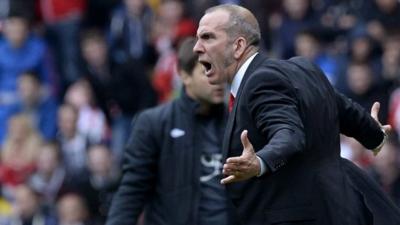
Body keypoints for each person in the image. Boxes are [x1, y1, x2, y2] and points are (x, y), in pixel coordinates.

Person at [193, 4, 400, 225]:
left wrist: (261, 162)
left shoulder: (259, 82)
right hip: (339, 210)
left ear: (238, 46)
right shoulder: (303, 68)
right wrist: (375, 135)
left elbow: (289, 134)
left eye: (207, 37)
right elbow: (343, 109)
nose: (197, 47)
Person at [107, 37, 237, 225]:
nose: (217, 80)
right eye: (207, 70)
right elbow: (131, 192)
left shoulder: (237, 122)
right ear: (184, 75)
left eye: (221, 71)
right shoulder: (154, 123)